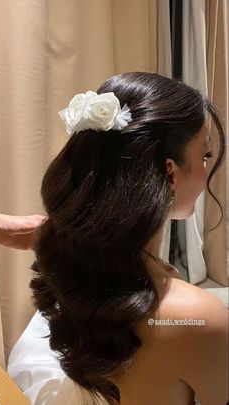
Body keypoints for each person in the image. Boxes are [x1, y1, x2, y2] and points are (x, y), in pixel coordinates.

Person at [20, 73, 228, 405]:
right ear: (170, 173)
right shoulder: (200, 316)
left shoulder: (72, 259)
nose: (207, 170)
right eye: (204, 156)